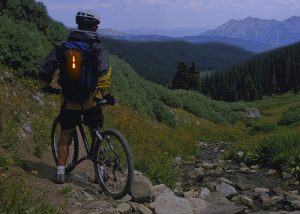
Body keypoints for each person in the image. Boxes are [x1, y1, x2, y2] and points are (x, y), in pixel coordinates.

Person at [39, 10, 114, 184]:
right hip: (90, 101)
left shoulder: (62, 46)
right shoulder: (97, 48)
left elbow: (45, 70)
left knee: (65, 133)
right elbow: (105, 72)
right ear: (94, 27)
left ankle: (60, 172)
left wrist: (46, 86)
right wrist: (102, 94)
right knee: (97, 132)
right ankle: (100, 172)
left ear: (78, 25)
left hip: (69, 100)